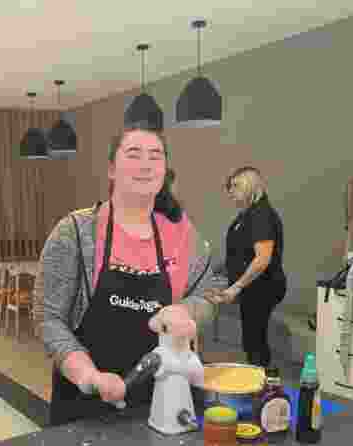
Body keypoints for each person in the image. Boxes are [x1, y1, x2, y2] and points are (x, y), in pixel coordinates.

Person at [34, 125, 217, 426]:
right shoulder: (75, 233)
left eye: (156, 156)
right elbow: (47, 317)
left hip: (165, 399)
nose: (146, 164)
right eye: (134, 154)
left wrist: (186, 310)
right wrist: (88, 375)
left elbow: (208, 294)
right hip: (86, 404)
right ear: (111, 169)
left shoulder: (182, 235)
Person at [205, 166, 286, 367]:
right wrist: (212, 273)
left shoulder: (261, 215)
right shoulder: (247, 215)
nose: (230, 191)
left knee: (254, 340)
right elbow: (239, 254)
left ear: (252, 186)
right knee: (251, 338)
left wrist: (236, 287)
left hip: (263, 286)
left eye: (236, 185)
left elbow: (262, 259)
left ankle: (261, 386)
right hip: (252, 286)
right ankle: (257, 380)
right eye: (229, 186)